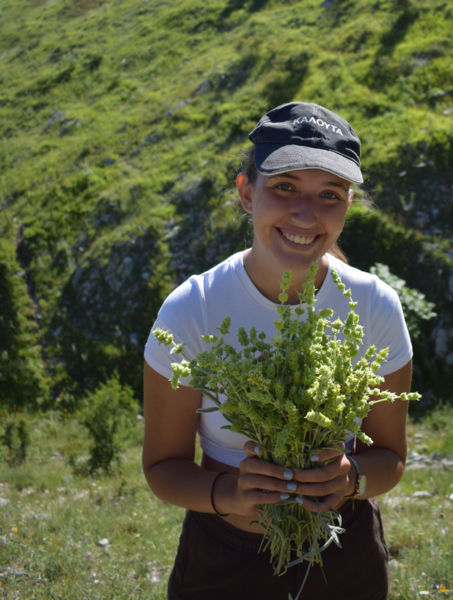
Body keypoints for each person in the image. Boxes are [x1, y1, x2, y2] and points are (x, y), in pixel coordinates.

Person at [143, 102, 413, 600]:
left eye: (329, 195)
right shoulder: (193, 309)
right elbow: (162, 468)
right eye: (284, 187)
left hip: (346, 557)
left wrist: (350, 480)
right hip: (223, 559)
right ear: (247, 193)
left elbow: (391, 458)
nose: (305, 214)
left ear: (348, 205)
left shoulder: (375, 305)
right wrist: (229, 495)